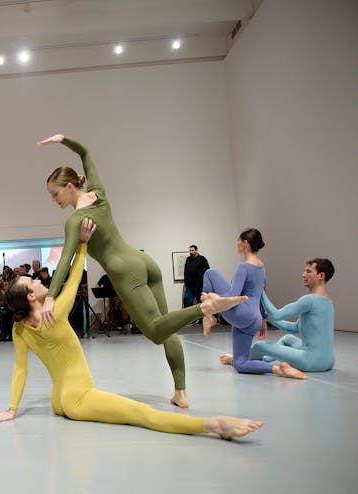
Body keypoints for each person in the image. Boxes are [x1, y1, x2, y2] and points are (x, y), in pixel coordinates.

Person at [0, 219, 263, 440]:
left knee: (136, 412)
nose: (39, 281)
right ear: (31, 297)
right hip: (78, 398)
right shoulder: (56, 312)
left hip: (60, 399)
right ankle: (213, 425)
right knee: (141, 413)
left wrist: (12, 409)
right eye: (33, 283)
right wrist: (82, 245)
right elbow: (75, 275)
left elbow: (20, 369)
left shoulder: (20, 329)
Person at [37, 133, 245, 408]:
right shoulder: (98, 194)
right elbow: (85, 153)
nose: (53, 199)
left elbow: (65, 260)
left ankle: (206, 308)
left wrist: (50, 297)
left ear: (71, 186)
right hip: (144, 261)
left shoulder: (75, 221)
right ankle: (180, 392)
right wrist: (63, 139)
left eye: (55, 193)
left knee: (155, 332)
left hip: (126, 272)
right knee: (167, 329)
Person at [202, 229, 305, 379]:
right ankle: (278, 370)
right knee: (240, 363)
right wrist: (263, 320)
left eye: (238, 240)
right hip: (254, 319)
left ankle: (208, 316)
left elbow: (232, 296)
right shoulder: (261, 267)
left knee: (210, 273)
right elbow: (262, 293)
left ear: (245, 243)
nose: (236, 243)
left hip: (241, 314)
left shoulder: (243, 267)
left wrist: (212, 299)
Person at [249, 258, 336, 372]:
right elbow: (295, 328)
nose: (303, 275)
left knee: (260, 345)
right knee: (288, 339)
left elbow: (276, 314)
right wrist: (268, 318)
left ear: (321, 276)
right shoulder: (328, 301)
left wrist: (261, 291)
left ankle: (240, 360)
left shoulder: (309, 300)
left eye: (308, 271)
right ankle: (265, 359)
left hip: (311, 362)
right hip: (329, 361)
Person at [183, 245, 210, 309]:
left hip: (199, 285)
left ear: (196, 250)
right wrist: (186, 282)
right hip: (190, 285)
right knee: (187, 300)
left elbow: (207, 271)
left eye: (192, 250)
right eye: (190, 250)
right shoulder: (188, 259)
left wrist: (205, 282)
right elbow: (185, 271)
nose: (191, 252)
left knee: (201, 302)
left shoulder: (202, 259)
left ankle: (202, 315)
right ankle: (189, 315)